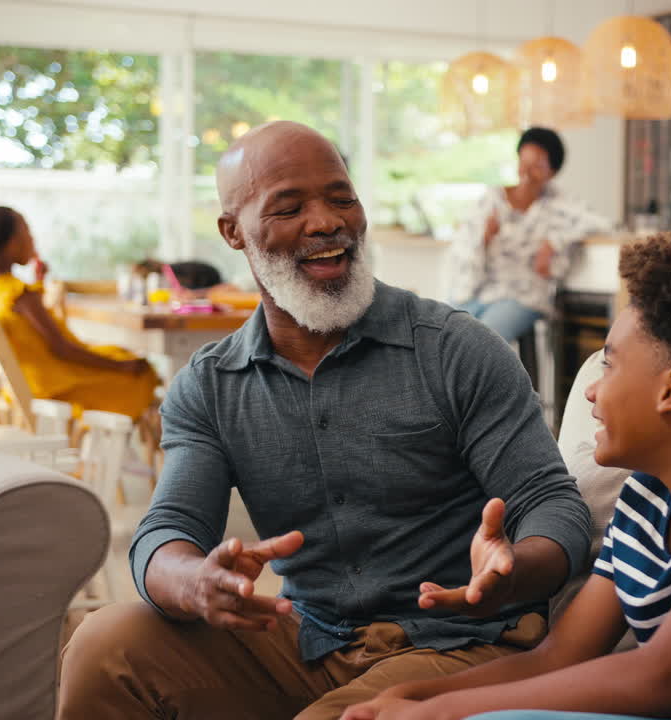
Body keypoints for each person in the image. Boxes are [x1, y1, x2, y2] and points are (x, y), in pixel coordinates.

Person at [57, 121, 591, 720]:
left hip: (460, 644)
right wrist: (193, 581)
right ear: (234, 233)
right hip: (308, 639)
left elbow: (551, 501)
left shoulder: (457, 349)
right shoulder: (209, 386)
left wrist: (514, 570)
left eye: (342, 198)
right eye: (289, 207)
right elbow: (167, 529)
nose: (326, 222)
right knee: (103, 645)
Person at [342, 233, 671, 720]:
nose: (592, 392)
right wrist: (412, 697)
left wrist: (441, 714)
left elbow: (660, 680)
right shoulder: (645, 497)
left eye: (611, 365)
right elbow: (558, 658)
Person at [0, 206, 160, 419]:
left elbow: (27, 333)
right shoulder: (17, 292)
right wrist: (121, 367)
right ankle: (118, 445)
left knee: (119, 354)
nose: (32, 239)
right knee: (143, 371)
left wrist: (38, 283)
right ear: (9, 242)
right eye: (27, 232)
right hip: (55, 386)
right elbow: (62, 349)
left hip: (26, 383)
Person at [449, 126, 611, 343]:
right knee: (441, 331)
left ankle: (483, 378)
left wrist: (555, 242)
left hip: (523, 296)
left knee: (484, 340)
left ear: (552, 172)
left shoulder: (559, 204)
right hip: (476, 290)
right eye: (523, 163)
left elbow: (604, 224)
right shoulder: (493, 198)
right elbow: (464, 247)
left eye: (536, 167)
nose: (526, 172)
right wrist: (484, 237)